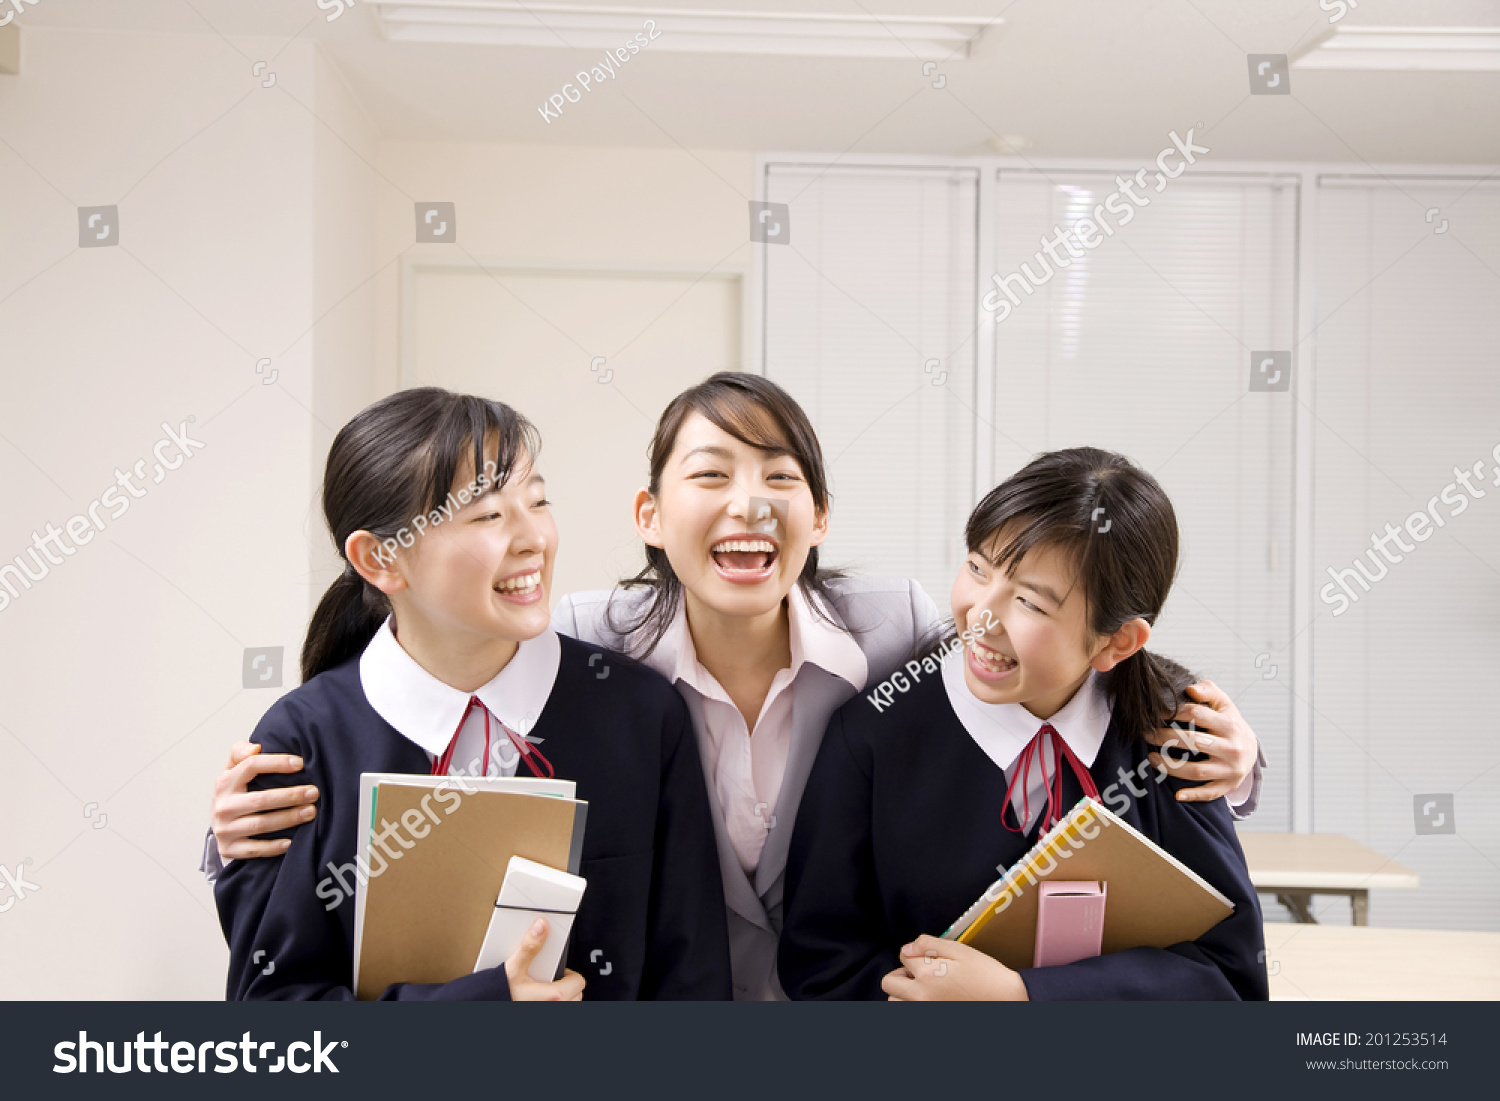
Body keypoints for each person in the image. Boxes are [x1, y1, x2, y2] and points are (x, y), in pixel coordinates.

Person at [205, 374, 1266, 1000]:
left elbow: (1060, 649)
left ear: (822, 515)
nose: (749, 507)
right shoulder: (590, 651)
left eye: (782, 479)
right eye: (710, 476)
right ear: (649, 517)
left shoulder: (897, 637)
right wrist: (234, 841)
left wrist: (1230, 753)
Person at [214, 388, 731, 1000]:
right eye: (488, 515)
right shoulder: (298, 747)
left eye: (537, 501)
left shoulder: (640, 715)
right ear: (381, 559)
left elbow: (693, 988)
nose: (533, 538)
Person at [778, 447, 1268, 1001]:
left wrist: (1022, 997)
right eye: (979, 568)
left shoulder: (1170, 738)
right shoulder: (873, 735)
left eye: (1031, 603)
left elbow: (1232, 977)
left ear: (1116, 642)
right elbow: (820, 967)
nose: (982, 618)